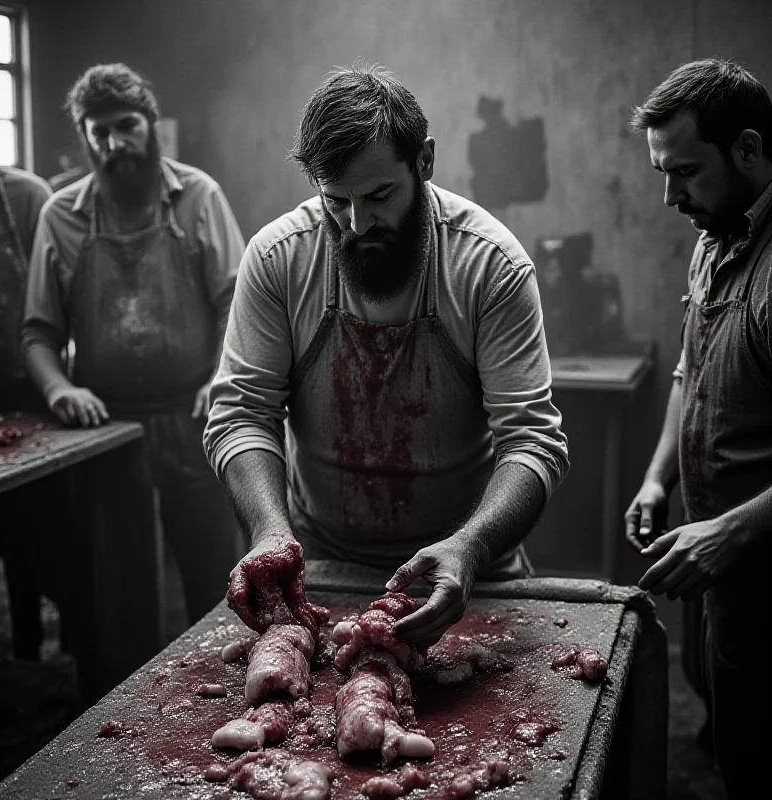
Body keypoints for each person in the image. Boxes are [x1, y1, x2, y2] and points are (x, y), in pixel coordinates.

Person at [204, 63, 569, 646]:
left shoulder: (489, 265)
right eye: (335, 201)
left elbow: (531, 441)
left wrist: (470, 547)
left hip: (470, 575)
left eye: (379, 196)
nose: (356, 224)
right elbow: (242, 416)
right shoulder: (277, 259)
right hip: (321, 569)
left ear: (424, 161)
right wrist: (271, 532)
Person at [22, 63, 247, 624]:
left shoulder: (198, 196)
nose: (113, 143)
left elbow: (236, 305)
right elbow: (39, 333)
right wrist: (58, 388)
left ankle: (220, 693)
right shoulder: (61, 216)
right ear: (85, 138)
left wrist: (218, 377)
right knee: (117, 586)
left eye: (126, 126)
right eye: (98, 133)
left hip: (194, 419)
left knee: (215, 578)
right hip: (107, 431)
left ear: (150, 123)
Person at [626, 58, 772, 797]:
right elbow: (692, 370)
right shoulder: (715, 234)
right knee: (729, 736)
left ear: (747, 149)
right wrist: (659, 478)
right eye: (662, 171)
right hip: (722, 572)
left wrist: (733, 531)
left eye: (685, 172)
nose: (668, 196)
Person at [0, 109, 55, 659]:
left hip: (27, 388)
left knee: (33, 533)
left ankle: (32, 648)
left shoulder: (25, 197)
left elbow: (50, 293)